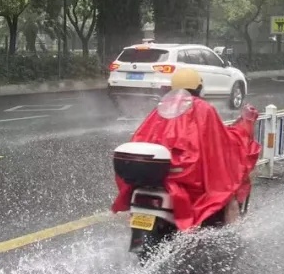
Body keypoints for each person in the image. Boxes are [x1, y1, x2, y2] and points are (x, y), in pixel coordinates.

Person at [111, 67, 260, 229]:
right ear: (199, 88)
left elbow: (142, 136)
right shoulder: (204, 108)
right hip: (188, 174)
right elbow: (222, 143)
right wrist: (244, 127)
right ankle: (227, 231)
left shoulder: (161, 108)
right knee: (227, 191)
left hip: (160, 173)